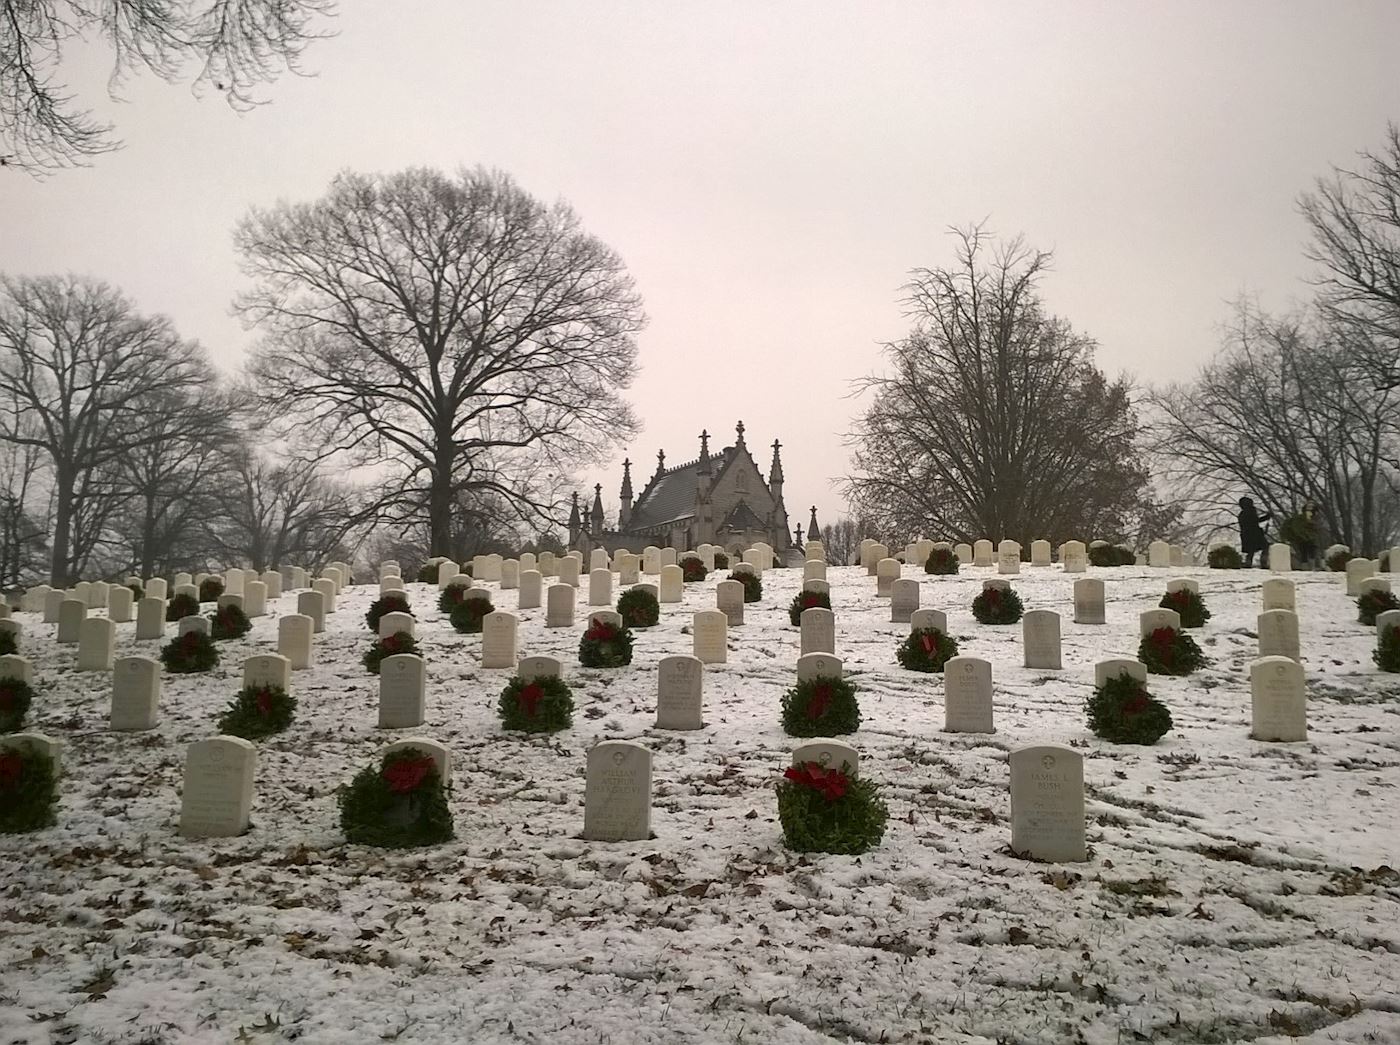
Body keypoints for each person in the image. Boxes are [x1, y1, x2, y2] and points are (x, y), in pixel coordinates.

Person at [1238, 496, 1272, 568]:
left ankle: (1249, 563)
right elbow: (1254, 521)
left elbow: (1254, 521)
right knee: (1265, 547)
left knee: (1251, 551)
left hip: (1246, 534)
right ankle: (1263, 562)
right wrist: (1266, 517)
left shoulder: (1242, 514)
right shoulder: (1250, 512)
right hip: (1254, 534)